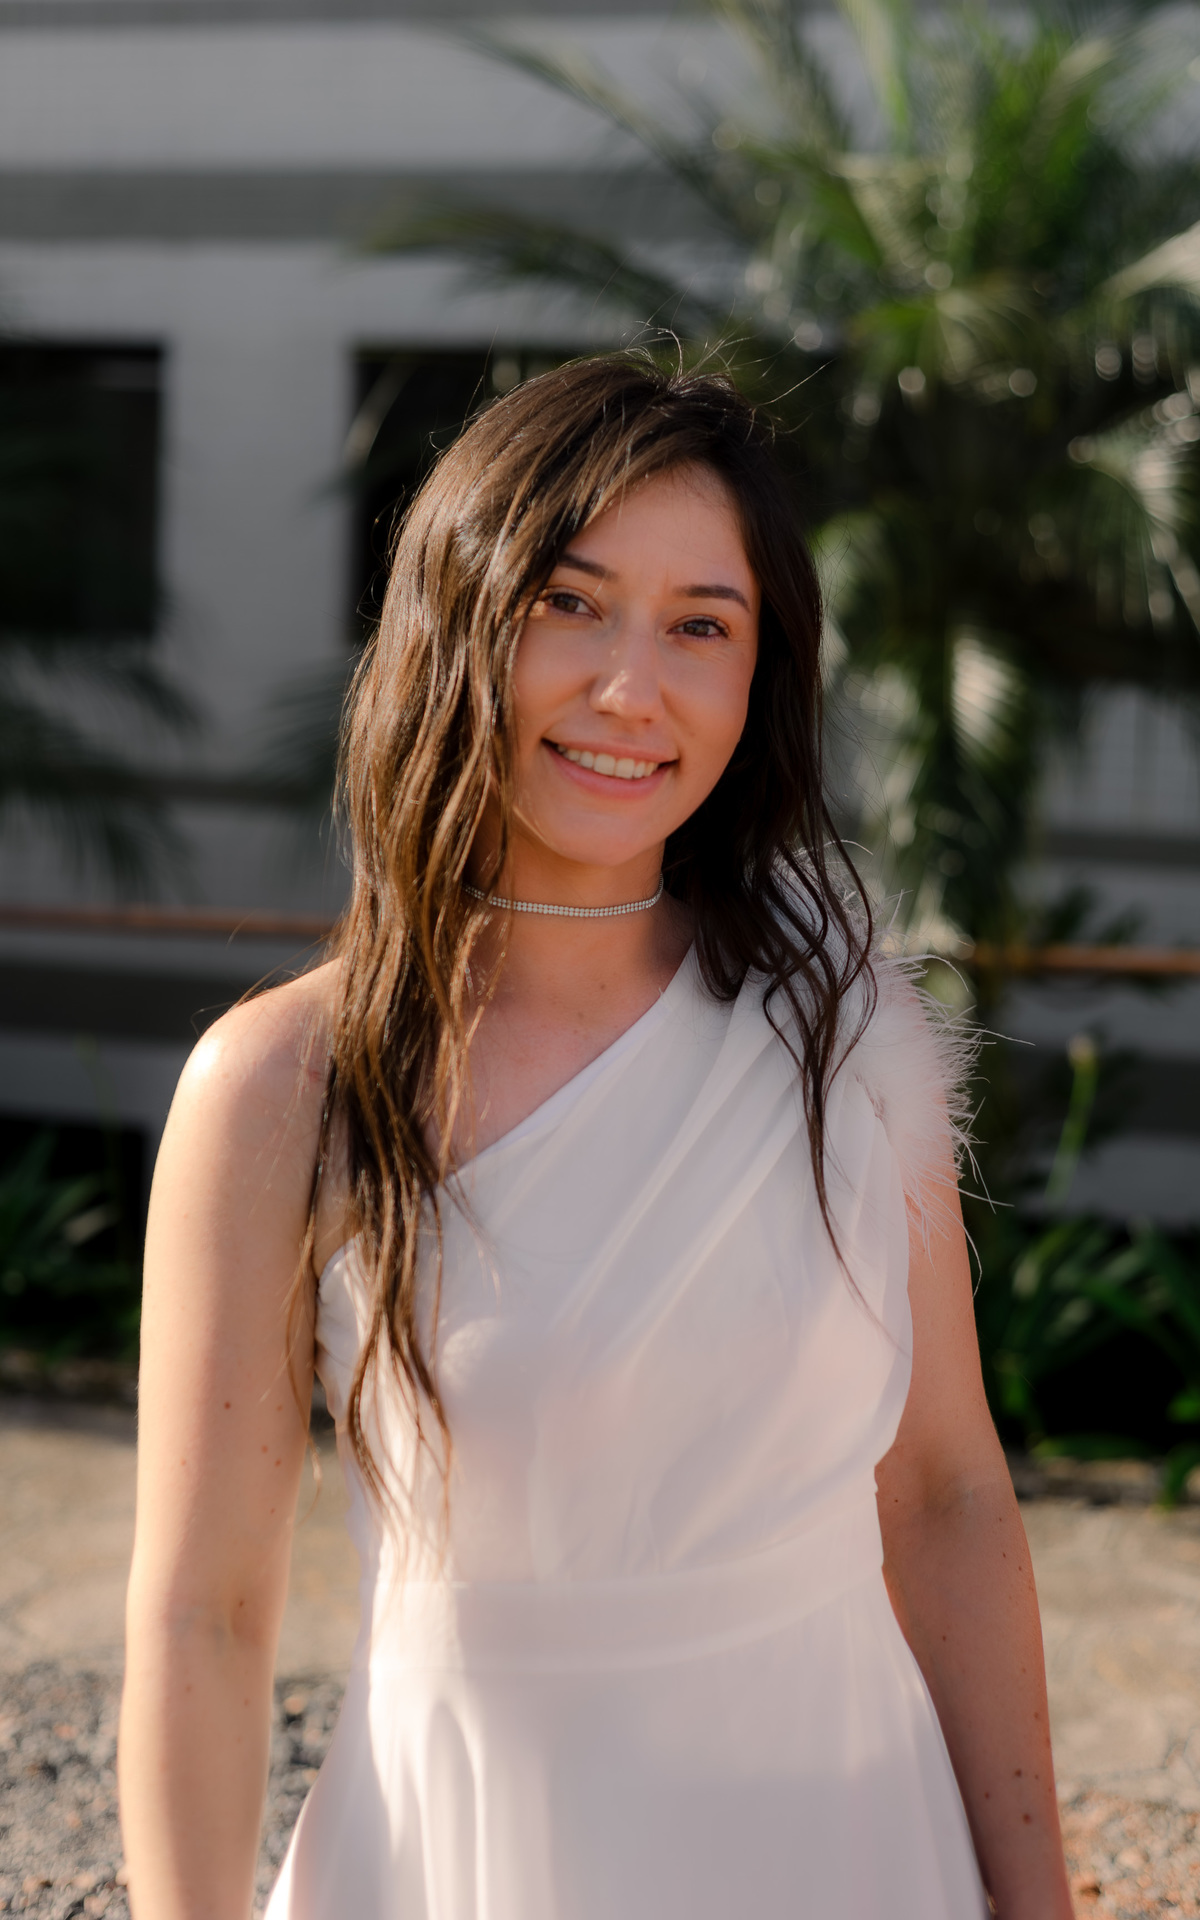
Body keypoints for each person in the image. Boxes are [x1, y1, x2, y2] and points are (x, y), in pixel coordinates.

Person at [118, 356, 1073, 1920]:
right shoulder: (290, 1083)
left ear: (759, 678)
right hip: (478, 1856)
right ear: (457, 621)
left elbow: (946, 1496)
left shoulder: (849, 1038)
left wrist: (1037, 1904)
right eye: (572, 604)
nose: (634, 689)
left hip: (855, 1846)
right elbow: (203, 1617)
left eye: (702, 626)